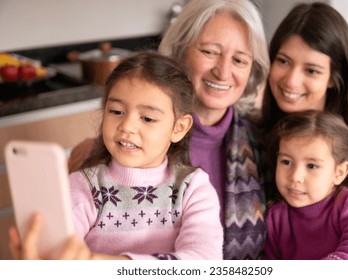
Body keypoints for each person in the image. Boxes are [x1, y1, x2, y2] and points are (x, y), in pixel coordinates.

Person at [68, 0, 270, 260]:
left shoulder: (262, 144)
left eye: (240, 60)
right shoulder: (113, 152)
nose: (223, 71)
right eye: (210, 51)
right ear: (180, 50)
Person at [9, 52, 223, 260]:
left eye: (147, 118)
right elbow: (58, 254)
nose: (127, 126)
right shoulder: (83, 187)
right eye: (116, 112)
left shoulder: (193, 188)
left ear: (179, 127)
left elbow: (203, 260)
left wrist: (96, 263)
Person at [259, 2, 348, 248]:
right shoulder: (257, 129)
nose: (291, 80)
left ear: (334, 79)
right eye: (283, 61)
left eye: (311, 70)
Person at [263, 110, 348, 260]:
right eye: (286, 162)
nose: (295, 176)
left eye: (311, 166)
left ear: (339, 173)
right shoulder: (275, 217)